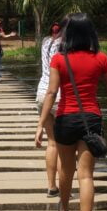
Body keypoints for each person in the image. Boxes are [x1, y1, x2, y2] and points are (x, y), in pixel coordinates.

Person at [34, 13, 107, 211]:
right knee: (86, 176)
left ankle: (63, 205)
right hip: (91, 119)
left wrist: (40, 124)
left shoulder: (59, 60)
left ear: (68, 33)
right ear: (91, 33)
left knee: (66, 171)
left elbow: (52, 93)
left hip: (65, 118)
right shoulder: (101, 58)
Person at [35, 21, 64, 196]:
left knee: (51, 143)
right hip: (59, 94)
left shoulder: (45, 42)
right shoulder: (64, 45)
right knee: (62, 145)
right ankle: (64, 185)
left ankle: (51, 186)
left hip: (42, 93)